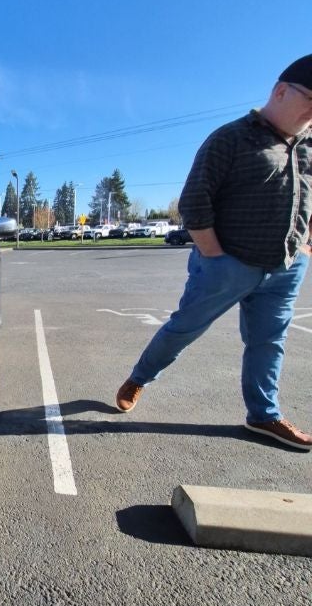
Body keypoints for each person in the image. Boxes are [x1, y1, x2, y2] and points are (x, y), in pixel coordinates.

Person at [115, 55, 312, 451]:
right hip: (228, 264)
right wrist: (216, 257)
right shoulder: (232, 138)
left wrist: (305, 245)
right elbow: (194, 201)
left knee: (268, 342)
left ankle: (264, 414)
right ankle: (140, 377)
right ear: (280, 91)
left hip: (286, 267)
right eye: (311, 99)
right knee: (184, 329)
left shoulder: (308, 148)